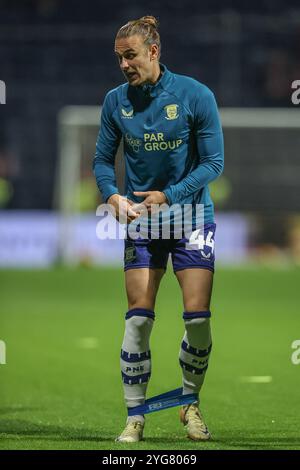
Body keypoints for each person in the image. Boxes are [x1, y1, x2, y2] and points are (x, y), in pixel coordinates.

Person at [93, 15, 224, 443]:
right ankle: (135, 416)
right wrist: (112, 195)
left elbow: (213, 163)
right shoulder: (115, 101)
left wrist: (169, 195)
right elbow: (100, 160)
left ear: (153, 51)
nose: (124, 65)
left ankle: (189, 403)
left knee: (198, 317)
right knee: (138, 320)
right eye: (119, 58)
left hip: (190, 218)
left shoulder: (195, 95)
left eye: (130, 55)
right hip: (142, 222)